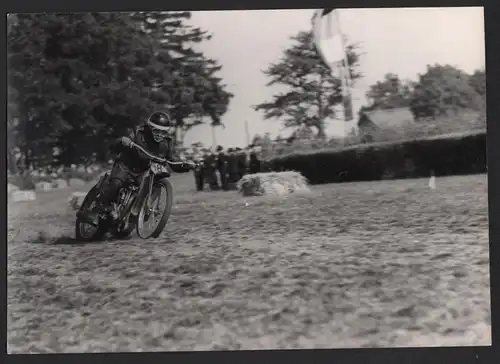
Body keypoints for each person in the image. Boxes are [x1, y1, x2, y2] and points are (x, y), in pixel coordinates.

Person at [78, 111, 192, 226]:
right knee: (116, 183)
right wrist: (123, 141)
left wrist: (184, 165)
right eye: (156, 130)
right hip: (125, 165)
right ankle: (97, 209)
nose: (159, 135)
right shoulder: (138, 133)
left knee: (149, 188)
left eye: (163, 132)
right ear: (149, 127)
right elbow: (120, 142)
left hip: (143, 172)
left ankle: (137, 213)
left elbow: (173, 158)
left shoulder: (167, 143)